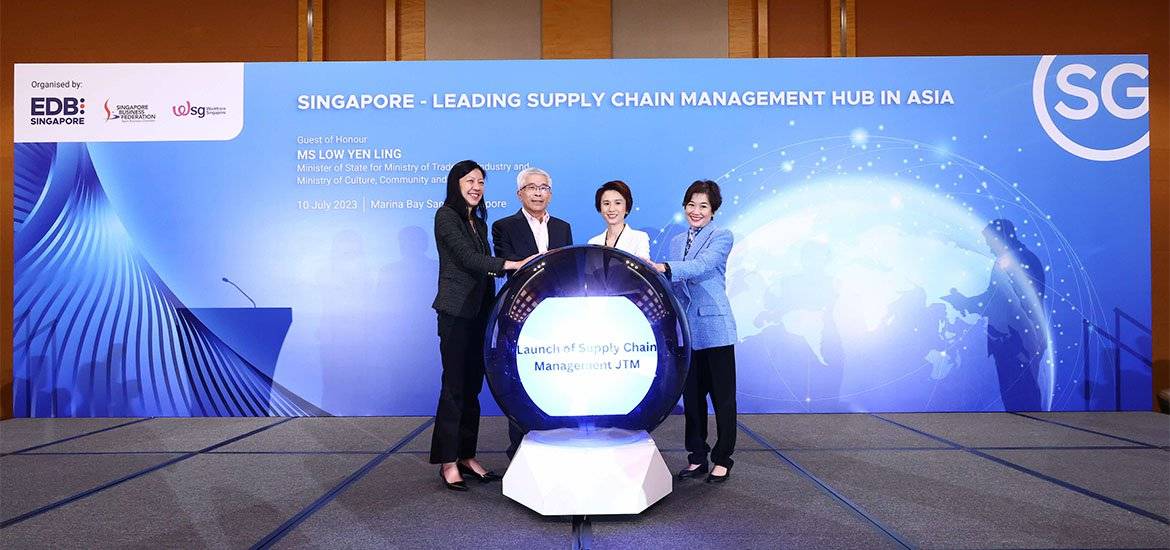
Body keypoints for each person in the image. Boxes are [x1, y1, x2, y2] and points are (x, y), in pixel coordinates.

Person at [431, 160, 534, 491]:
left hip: (479, 314)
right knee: (454, 388)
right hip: (456, 314)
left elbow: (482, 266)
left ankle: (466, 455)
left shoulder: (476, 221)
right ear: (456, 184)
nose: (476, 186)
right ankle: (448, 461)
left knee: (473, 388)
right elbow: (467, 260)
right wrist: (511, 264)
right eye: (470, 181)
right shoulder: (446, 216)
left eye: (481, 182)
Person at [651, 180, 738, 483]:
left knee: (723, 398)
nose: (696, 211)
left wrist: (663, 267)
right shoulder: (676, 242)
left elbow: (702, 266)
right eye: (691, 204)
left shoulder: (722, 236)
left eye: (703, 206)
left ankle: (723, 457)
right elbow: (674, 283)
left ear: (714, 210)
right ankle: (697, 456)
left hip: (715, 327)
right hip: (687, 330)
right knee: (693, 398)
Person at [490, 167, 573, 459]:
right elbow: (510, 265)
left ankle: (558, 438)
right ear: (520, 193)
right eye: (532, 187)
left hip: (556, 316)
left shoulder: (563, 227)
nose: (538, 193)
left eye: (544, 188)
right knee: (520, 380)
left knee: (556, 376)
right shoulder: (503, 226)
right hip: (521, 313)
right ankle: (520, 449)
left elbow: (568, 272)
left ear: (550, 193)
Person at [943, 219, 1046, 410]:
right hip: (1015, 341)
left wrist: (964, 302)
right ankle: (1027, 435)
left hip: (1016, 342)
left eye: (991, 242)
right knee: (1021, 397)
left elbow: (1001, 303)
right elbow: (997, 300)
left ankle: (1027, 436)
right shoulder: (1020, 260)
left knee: (1021, 399)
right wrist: (963, 301)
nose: (990, 248)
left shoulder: (1014, 262)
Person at [587, 180, 651, 258]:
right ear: (600, 208)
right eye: (606, 203)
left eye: (617, 203)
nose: (611, 209)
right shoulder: (593, 242)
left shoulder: (639, 238)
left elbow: (642, 268)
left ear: (627, 208)